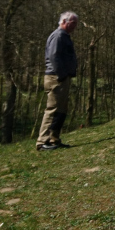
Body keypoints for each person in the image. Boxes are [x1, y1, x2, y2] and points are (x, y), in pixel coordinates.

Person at [36, 11, 79, 151]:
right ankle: (43, 141)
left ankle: (54, 139)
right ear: (64, 22)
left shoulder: (64, 36)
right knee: (53, 110)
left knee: (61, 110)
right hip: (55, 77)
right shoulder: (58, 35)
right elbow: (54, 56)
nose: (75, 26)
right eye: (73, 23)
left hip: (61, 77)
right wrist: (61, 74)